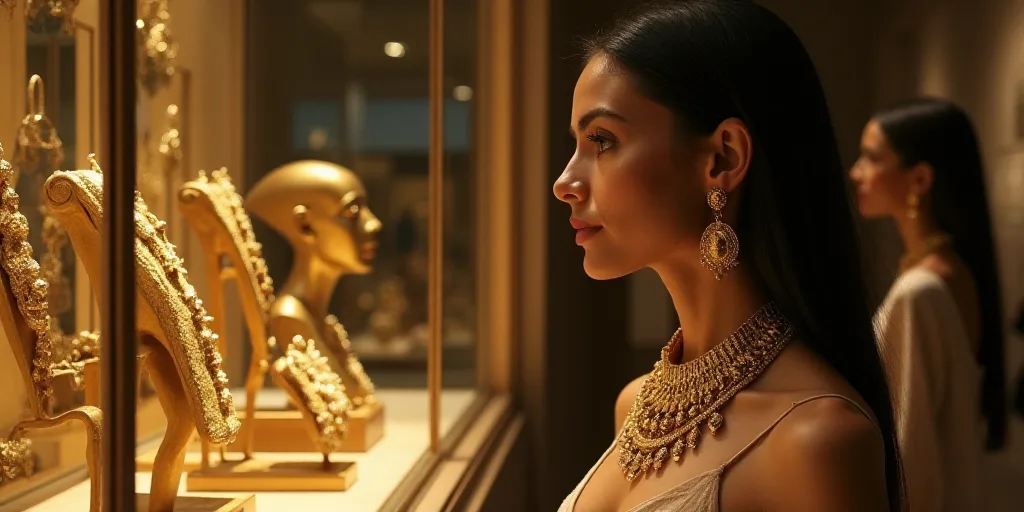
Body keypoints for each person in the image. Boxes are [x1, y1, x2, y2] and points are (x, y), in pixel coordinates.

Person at [553, 1, 903, 510]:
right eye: (577, 143)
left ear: (723, 159)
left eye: (602, 140)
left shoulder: (817, 438)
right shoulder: (635, 406)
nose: (565, 182)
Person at [850, 97, 1006, 511]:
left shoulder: (920, 292)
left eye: (870, 157)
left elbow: (912, 455)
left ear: (919, 179)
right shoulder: (951, 272)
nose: (856, 172)